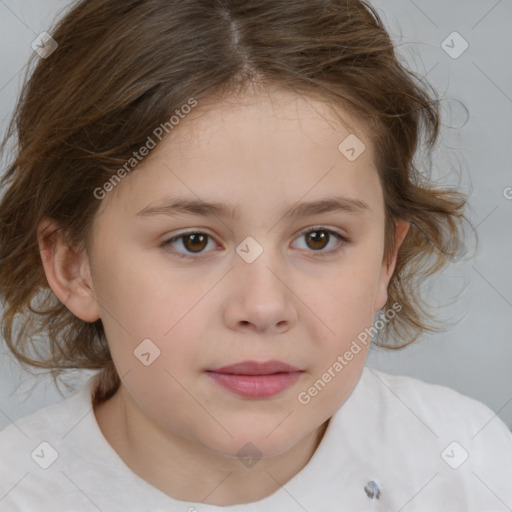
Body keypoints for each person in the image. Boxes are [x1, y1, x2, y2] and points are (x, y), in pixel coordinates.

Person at [0, 0, 510, 510]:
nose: (264, 307)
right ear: (74, 267)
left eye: (319, 238)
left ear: (384, 260)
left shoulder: (465, 466)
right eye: (192, 241)